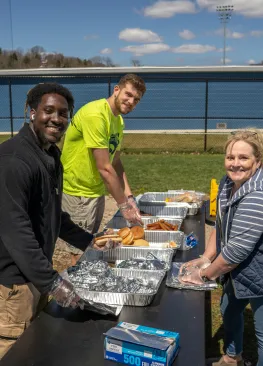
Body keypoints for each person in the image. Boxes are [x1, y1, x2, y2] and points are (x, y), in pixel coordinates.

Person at [0, 83, 96, 360]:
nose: (56, 119)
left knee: (35, 347)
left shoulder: (50, 156)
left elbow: (52, 214)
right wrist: (52, 283)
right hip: (13, 283)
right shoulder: (14, 160)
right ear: (31, 112)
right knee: (13, 351)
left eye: (63, 113)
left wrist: (91, 241)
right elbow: (15, 230)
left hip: (36, 275)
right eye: (48, 111)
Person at [180, 129, 263, 366]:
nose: (235, 164)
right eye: (230, 157)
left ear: (257, 161)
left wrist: (204, 274)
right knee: (229, 307)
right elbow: (221, 222)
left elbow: (236, 250)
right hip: (241, 268)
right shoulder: (228, 183)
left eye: (243, 158)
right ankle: (231, 358)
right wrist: (206, 257)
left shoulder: (257, 194)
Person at [60, 73, 146, 264]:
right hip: (78, 192)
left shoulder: (118, 120)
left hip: (94, 191)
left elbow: (116, 162)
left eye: (136, 99)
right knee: (80, 252)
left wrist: (130, 198)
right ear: (117, 90)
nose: (131, 101)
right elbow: (105, 168)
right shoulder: (96, 114)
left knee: (93, 245)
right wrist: (123, 206)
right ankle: (77, 293)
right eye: (128, 94)